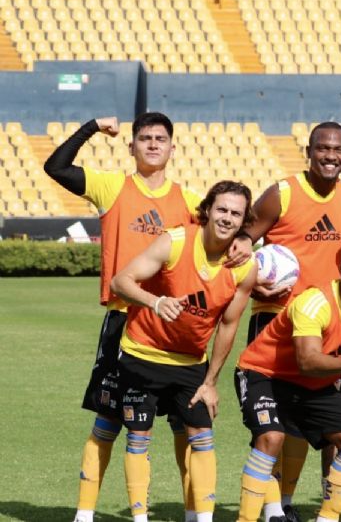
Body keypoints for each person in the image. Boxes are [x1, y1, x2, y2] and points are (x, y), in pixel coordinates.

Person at [43, 114, 250, 522]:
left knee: (184, 426)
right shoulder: (112, 186)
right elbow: (56, 167)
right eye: (145, 138)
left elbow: (227, 225)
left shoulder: (189, 201)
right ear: (131, 146)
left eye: (161, 139)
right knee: (109, 420)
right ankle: (84, 514)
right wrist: (90, 128)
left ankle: (194, 512)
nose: (153, 144)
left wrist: (244, 239)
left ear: (173, 148)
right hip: (125, 319)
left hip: (174, 329)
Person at [240, 121, 341, 519]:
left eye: (339, 150)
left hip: (330, 324)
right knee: (272, 426)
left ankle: (285, 504)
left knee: (307, 423)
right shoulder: (282, 194)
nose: (331, 156)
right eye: (323, 148)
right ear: (309, 150)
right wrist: (252, 288)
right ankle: (269, 509)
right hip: (275, 320)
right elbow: (240, 245)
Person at [110, 181, 258, 522]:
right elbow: (121, 281)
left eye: (236, 214)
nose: (226, 218)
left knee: (202, 438)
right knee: (138, 437)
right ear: (207, 210)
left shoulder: (246, 268)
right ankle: (139, 518)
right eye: (222, 209)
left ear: (243, 222)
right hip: (141, 354)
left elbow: (229, 325)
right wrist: (156, 301)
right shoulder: (175, 241)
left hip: (191, 363)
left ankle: (201, 519)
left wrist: (210, 381)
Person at [234, 237, 341, 522]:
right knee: (271, 438)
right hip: (263, 374)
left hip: (312, 386)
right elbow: (307, 361)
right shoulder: (314, 303)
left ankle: (327, 519)